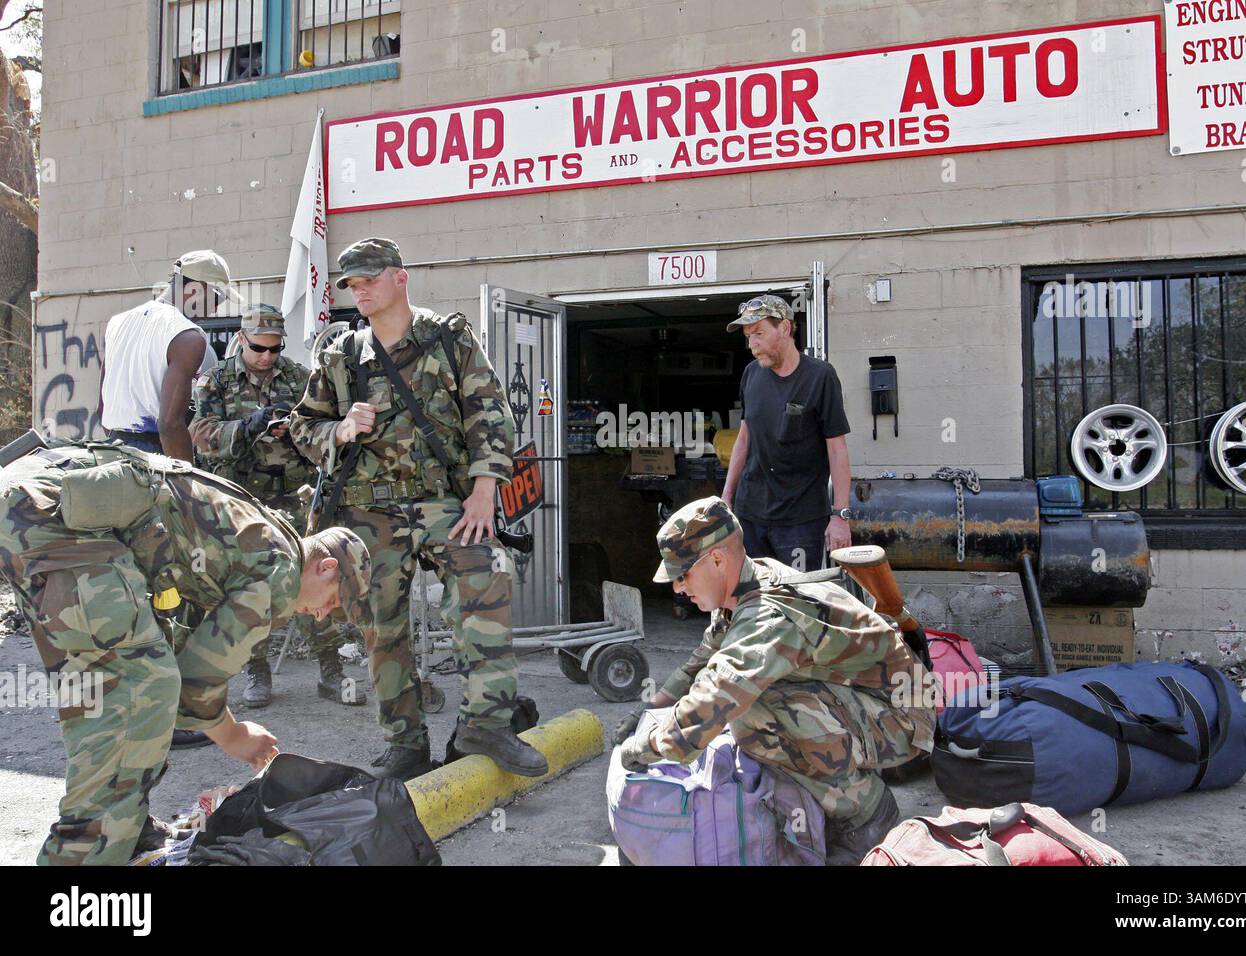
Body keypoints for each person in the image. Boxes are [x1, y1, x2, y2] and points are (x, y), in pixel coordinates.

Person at [0, 438, 372, 865]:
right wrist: (236, 736)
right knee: (140, 695)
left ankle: (129, 828)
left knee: (120, 688)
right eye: (334, 601)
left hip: (43, 503)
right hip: (59, 516)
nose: (322, 616)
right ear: (327, 568)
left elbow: (175, 640)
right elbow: (197, 682)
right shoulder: (278, 571)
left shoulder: (258, 535)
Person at [290, 237, 547, 781]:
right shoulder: (340, 355)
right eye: (351, 284)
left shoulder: (448, 339)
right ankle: (405, 743)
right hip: (367, 512)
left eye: (368, 280)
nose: (359, 291)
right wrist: (338, 429)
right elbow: (301, 428)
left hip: (444, 504)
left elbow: (490, 415)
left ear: (399, 278)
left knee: (487, 579)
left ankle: (486, 722)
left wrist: (485, 490)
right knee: (380, 626)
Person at [614, 496, 934, 865]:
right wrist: (648, 712)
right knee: (754, 702)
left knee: (752, 711)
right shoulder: (744, 587)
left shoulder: (767, 616)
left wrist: (645, 747)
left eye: (682, 574)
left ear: (718, 560)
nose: (676, 588)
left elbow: (715, 696)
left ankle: (864, 813)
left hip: (904, 717)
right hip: (868, 701)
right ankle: (822, 793)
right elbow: (697, 666)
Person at [190, 304, 365, 710]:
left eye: (274, 348)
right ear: (241, 339)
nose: (267, 356)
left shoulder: (298, 377)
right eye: (258, 348)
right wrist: (248, 428)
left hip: (296, 497)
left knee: (314, 580)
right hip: (245, 504)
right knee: (252, 587)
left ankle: (331, 670)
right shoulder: (215, 382)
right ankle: (257, 669)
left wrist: (294, 431)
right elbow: (201, 436)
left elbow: (318, 423)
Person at [720, 294, 853, 571]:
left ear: (785, 328)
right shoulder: (751, 375)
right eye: (747, 337)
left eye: (758, 333)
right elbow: (744, 437)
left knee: (799, 602)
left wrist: (840, 516)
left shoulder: (820, 376)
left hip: (801, 518)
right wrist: (726, 498)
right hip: (751, 514)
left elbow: (837, 448)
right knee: (753, 599)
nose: (752, 345)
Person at [98, 250, 228, 459]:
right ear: (197, 289)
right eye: (217, 299)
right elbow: (170, 426)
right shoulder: (188, 336)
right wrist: (186, 481)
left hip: (111, 450)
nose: (213, 310)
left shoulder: (118, 322)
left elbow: (102, 408)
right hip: (157, 455)